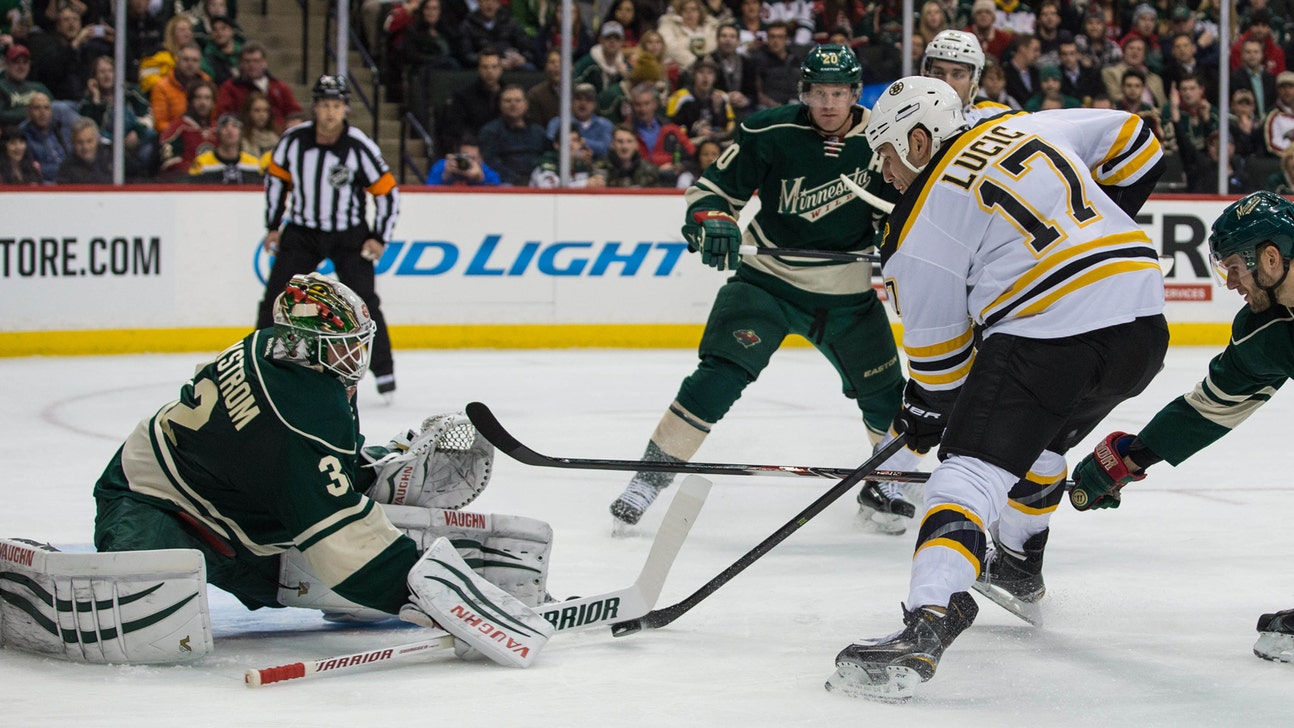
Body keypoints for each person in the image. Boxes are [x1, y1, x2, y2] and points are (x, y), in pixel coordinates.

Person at [827, 77, 1168, 701]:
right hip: (1142, 320)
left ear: (920, 140)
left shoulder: (918, 227)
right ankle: (1015, 564)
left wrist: (922, 417)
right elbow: (1136, 139)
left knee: (967, 471)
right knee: (1037, 440)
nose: (884, 172)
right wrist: (1099, 228)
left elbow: (941, 376)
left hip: (1051, 332)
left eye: (887, 154)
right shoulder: (1019, 124)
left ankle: (931, 617)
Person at [74, 271, 553, 667]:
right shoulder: (300, 417)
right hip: (150, 499)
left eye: (356, 344)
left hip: (231, 503)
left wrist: (365, 473)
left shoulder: (275, 348)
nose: (354, 357)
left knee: (313, 551)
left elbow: (284, 461)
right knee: (143, 618)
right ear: (305, 345)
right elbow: (340, 539)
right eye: (343, 346)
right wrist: (444, 604)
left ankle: (368, 506)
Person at [608, 45, 915, 532]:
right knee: (717, 377)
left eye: (838, 93)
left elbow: (902, 207)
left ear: (856, 94)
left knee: (888, 396)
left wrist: (895, 237)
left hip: (847, 294)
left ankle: (885, 479)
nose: (829, 104)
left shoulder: (884, 137)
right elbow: (711, 192)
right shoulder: (768, 131)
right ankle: (649, 477)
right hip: (768, 282)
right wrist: (712, 219)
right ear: (804, 93)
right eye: (819, 92)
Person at [1070, 190, 1294, 666]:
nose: (1230, 283)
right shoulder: (1267, 330)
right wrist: (1132, 456)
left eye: (1235, 267)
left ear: (1271, 259)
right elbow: (1212, 406)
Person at [258, 76, 400, 402]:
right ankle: (261, 362)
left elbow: (388, 192)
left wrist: (379, 237)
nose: (330, 112)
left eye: (336, 105)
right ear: (315, 107)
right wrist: (273, 225)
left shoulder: (359, 146)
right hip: (303, 231)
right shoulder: (293, 141)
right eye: (324, 105)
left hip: (348, 235)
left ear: (345, 108)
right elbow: (276, 181)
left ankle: (384, 371)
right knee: (277, 297)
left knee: (365, 303)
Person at [921, 28, 1007, 124]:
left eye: (957, 75)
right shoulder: (910, 118)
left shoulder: (998, 117)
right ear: (926, 75)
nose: (947, 83)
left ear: (974, 79)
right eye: (938, 73)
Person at [215, 41, 302, 132]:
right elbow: (224, 115)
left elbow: (295, 111)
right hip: (244, 134)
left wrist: (293, 122)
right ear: (241, 64)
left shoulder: (279, 87)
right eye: (247, 61)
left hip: (277, 133)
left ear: (264, 63)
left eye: (256, 61)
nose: (252, 65)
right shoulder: (230, 87)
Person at [478, 84, 548, 186]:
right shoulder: (490, 131)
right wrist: (515, 180)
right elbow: (490, 161)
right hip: (504, 184)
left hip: (537, 182)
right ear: (500, 105)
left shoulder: (539, 132)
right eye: (508, 101)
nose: (513, 104)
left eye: (518, 100)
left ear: (526, 104)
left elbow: (546, 158)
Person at [157, 79, 217, 178]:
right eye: (198, 97)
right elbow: (169, 161)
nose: (203, 102)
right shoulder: (177, 127)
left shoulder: (218, 130)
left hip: (216, 182)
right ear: (190, 101)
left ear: (213, 103)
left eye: (207, 98)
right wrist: (197, 171)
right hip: (184, 182)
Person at [150, 41, 210, 134]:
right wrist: (184, 132)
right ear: (177, 61)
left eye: (194, 60)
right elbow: (160, 123)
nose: (190, 64)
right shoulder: (162, 87)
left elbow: (214, 117)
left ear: (200, 63)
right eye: (186, 59)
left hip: (204, 135)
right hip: (174, 137)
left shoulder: (207, 83)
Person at [187, 112, 262, 183]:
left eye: (235, 126)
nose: (229, 130)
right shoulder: (202, 163)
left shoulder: (254, 165)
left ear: (241, 132)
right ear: (218, 132)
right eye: (224, 126)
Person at [545, 82, 613, 160]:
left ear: (594, 104)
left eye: (588, 99)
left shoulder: (605, 125)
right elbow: (551, 144)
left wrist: (582, 141)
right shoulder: (558, 122)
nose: (583, 103)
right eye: (578, 98)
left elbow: (606, 148)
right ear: (571, 102)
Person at [592, 123, 664, 187]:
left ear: (636, 145)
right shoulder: (599, 167)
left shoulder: (649, 171)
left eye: (629, 141)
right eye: (620, 141)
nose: (625, 147)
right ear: (612, 144)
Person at [54, 116, 111, 184]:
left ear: (97, 140)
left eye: (89, 141)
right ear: (73, 143)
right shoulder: (66, 169)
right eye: (80, 142)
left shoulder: (111, 156)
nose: (85, 147)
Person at [426, 135, 501, 185]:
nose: (469, 161)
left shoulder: (488, 174)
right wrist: (445, 176)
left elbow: (496, 196)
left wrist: (480, 179)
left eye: (473, 158)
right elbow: (428, 194)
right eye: (465, 157)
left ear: (481, 159)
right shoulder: (442, 167)